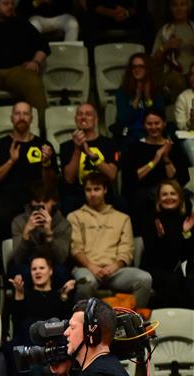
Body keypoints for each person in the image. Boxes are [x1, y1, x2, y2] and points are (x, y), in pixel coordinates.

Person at [69, 172, 154, 308]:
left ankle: (133, 318)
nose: (92, 194)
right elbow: (76, 248)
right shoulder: (75, 217)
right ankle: (84, 320)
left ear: (105, 190)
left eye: (97, 189)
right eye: (88, 190)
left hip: (115, 271)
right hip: (87, 268)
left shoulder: (122, 218)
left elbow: (127, 249)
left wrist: (114, 267)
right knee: (86, 284)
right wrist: (92, 267)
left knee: (145, 279)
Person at [0, 101, 59, 236]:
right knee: (1, 212)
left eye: (25, 114)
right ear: (12, 118)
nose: (21, 117)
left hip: (36, 200)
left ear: (31, 118)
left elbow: (51, 184)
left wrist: (46, 164)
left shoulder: (43, 145)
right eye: (17, 114)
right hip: (6, 202)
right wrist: (11, 161)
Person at [121, 108, 190, 221]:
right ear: (144, 125)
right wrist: (155, 160)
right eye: (149, 124)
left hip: (168, 191)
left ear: (164, 124)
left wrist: (166, 158)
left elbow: (181, 179)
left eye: (157, 123)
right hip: (144, 192)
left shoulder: (173, 147)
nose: (153, 127)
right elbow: (130, 178)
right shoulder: (134, 147)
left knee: (185, 196)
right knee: (140, 199)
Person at [138, 178, 194, 307]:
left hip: (177, 268)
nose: (169, 197)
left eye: (173, 193)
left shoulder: (186, 220)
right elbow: (152, 254)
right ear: (159, 199)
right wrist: (160, 237)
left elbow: (188, 254)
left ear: (180, 198)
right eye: (164, 194)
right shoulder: (152, 218)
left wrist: (187, 233)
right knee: (173, 281)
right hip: (154, 267)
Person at [60, 103, 120, 213]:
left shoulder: (110, 144)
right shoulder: (66, 146)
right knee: (67, 202)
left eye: (88, 114)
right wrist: (77, 150)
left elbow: (112, 175)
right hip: (77, 196)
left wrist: (93, 157)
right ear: (75, 119)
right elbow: (69, 179)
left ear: (96, 119)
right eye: (80, 114)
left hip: (104, 196)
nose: (83, 117)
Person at [10, 184, 72, 282]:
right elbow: (18, 259)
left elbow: (61, 259)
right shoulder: (19, 221)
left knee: (62, 273)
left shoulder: (63, 224)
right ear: (31, 202)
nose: (41, 205)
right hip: (27, 264)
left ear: (54, 201)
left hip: (52, 264)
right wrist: (26, 233)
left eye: (46, 201)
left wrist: (49, 234)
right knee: (23, 273)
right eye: (37, 201)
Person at [115, 53, 163, 141]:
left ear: (148, 69)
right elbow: (124, 120)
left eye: (141, 66)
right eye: (134, 67)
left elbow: (160, 118)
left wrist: (148, 98)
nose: (137, 69)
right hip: (129, 135)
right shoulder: (122, 92)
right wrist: (137, 98)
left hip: (151, 135)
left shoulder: (156, 91)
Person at [153, 0, 194, 98]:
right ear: (171, 9)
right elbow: (154, 61)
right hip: (172, 73)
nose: (178, 8)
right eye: (175, 5)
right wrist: (165, 46)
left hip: (192, 71)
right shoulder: (165, 30)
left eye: (182, 4)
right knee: (178, 80)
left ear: (188, 8)